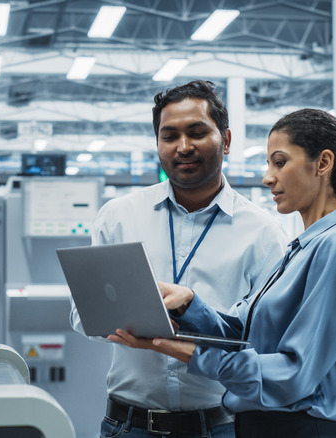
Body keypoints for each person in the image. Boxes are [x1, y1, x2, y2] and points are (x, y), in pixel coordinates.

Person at [109, 108, 336, 438]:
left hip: (306, 428)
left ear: (322, 163)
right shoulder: (302, 248)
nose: (267, 177)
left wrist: (181, 350)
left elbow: (294, 374)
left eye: (279, 162)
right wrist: (189, 305)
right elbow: (245, 334)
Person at [70, 80, 289, 438]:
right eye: (169, 136)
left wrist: (195, 326)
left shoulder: (263, 233)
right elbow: (83, 314)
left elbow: (266, 341)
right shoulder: (119, 216)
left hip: (221, 426)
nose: (183, 147)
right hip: (129, 426)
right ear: (157, 144)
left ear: (227, 140)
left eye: (197, 132)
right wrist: (133, 320)